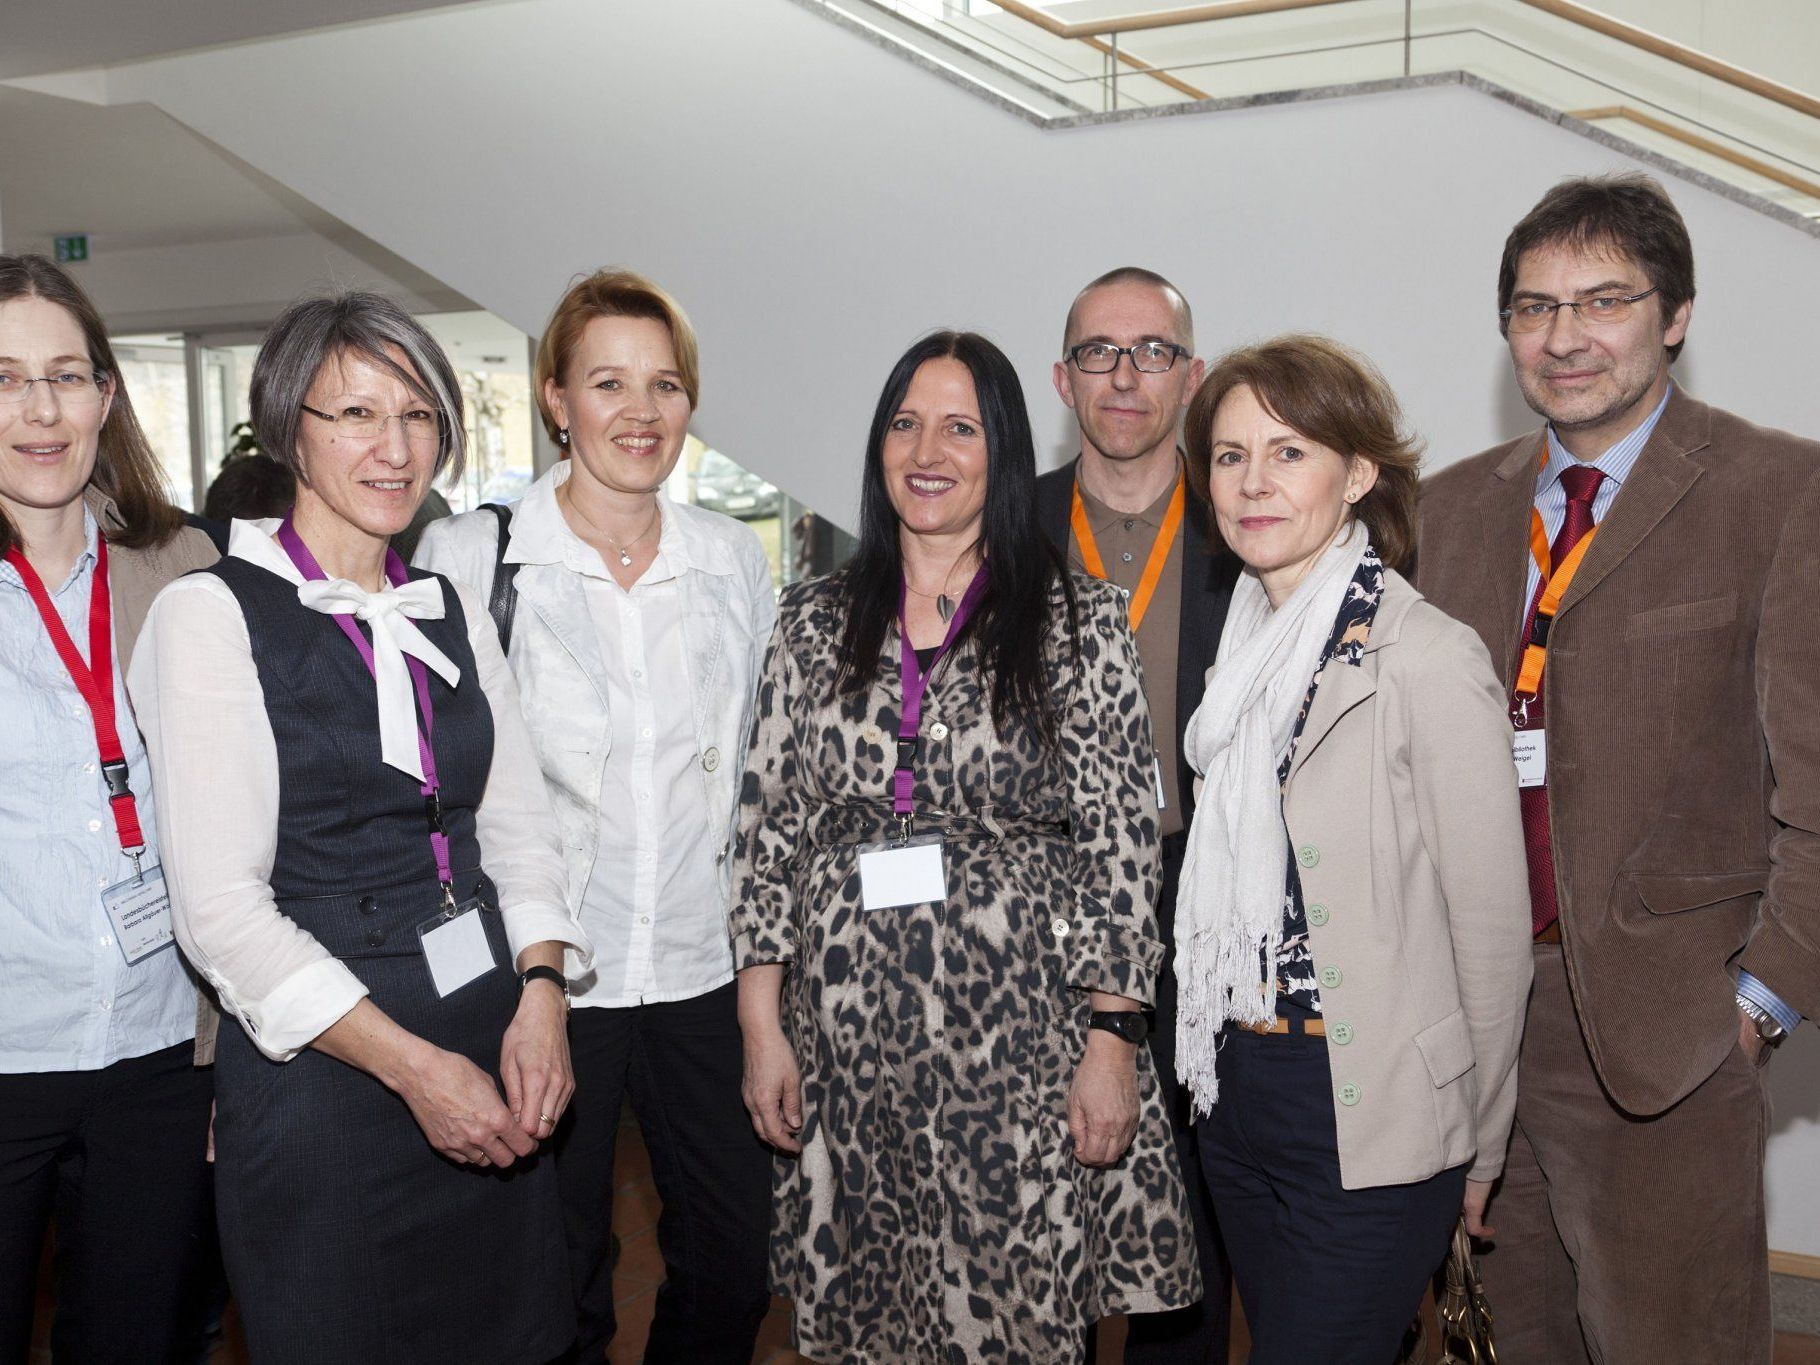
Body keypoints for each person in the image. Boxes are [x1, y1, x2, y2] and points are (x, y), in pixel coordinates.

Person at [129, 290, 591, 1365]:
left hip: (489, 1034)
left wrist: (542, 994)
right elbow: (221, 913)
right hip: (331, 1073)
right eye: (356, 416)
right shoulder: (211, 613)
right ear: (292, 427)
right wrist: (415, 1070)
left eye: (420, 416)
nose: (396, 449)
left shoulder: (447, 604)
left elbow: (513, 828)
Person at [733, 329, 1201, 1363]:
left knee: (1017, 1318)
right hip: (848, 1049)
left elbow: (1122, 844)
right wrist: (763, 1026)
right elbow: (768, 832)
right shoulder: (810, 621)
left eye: (958, 425)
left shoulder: (1075, 621)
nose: (926, 448)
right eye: (904, 423)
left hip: (1022, 1048)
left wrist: (1112, 1043)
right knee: (865, 1316)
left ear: (1000, 449)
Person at [1418, 173, 1820, 1365]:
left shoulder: (1779, 493)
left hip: (1666, 1034)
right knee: (1509, 1340)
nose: (1562, 336)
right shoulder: (1444, 512)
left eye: (1602, 300)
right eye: (1533, 307)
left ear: (1675, 314)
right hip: (1478, 1025)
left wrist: (1756, 1006)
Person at [416, 268, 776, 1362]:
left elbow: (759, 769)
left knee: (733, 1257)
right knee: (555, 1267)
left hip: (697, 964)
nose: (640, 412)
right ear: (555, 398)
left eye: (665, 385)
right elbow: (441, 784)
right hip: (547, 975)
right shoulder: (473, 558)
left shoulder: (727, 560)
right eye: (608, 382)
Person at [1177, 335, 1533, 1364]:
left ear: (1359, 474)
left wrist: (1480, 1138)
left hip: (1370, 1108)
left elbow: (1490, 933)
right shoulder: (1238, 652)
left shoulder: (1424, 655)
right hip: (1234, 1095)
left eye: (1287, 453)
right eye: (1229, 456)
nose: (1251, 483)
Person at [0, 253, 220, 1365]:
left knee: (138, 1341)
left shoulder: (182, 566)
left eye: (65, 374)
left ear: (105, 396)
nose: (39, 409)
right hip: (4, 1036)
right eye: (1, 378)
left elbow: (241, 814)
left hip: (157, 1045)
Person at [1036, 266, 1235, 1362]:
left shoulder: (1244, 521)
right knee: (1034, 1208)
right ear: (1061, 376)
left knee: (1183, 1225)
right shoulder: (1002, 526)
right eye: (1099, 353)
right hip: (1032, 905)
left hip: (1198, 893)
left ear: (1190, 375)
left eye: (1152, 351)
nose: (1126, 376)